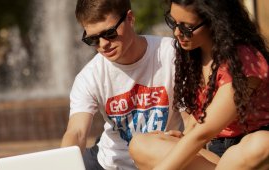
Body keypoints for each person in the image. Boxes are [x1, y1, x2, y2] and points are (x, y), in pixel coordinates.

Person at [129, 0, 269, 169]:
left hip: (248, 153)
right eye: (173, 22)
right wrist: (183, 137)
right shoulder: (194, 55)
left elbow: (204, 132)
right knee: (140, 144)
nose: (177, 32)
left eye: (187, 27)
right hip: (216, 155)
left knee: (262, 143)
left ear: (215, 22)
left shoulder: (244, 60)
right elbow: (196, 124)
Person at [60, 0, 184, 169]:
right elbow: (77, 132)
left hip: (160, 161)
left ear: (130, 19)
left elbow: (192, 124)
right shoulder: (89, 76)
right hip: (107, 163)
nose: (103, 44)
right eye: (93, 39)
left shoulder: (172, 55)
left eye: (110, 33)